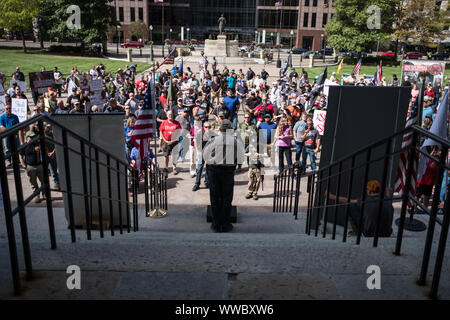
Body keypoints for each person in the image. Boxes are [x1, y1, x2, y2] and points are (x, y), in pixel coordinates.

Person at [203, 119, 245, 232]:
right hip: (228, 172)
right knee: (226, 198)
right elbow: (241, 157)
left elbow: (205, 155)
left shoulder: (213, 140)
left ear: (220, 129)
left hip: (214, 171)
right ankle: (225, 224)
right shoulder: (235, 141)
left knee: (215, 197)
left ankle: (216, 225)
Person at [327, 180, 394, 237]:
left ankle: (356, 232)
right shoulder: (387, 200)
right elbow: (387, 197)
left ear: (369, 191)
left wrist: (331, 196)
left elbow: (346, 200)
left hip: (369, 233)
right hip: (387, 233)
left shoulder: (365, 201)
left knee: (351, 206)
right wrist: (388, 192)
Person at [19, 130, 44, 203]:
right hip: (30, 167)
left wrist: (39, 149)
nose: (33, 138)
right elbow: (20, 157)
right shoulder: (24, 146)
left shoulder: (37, 143)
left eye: (34, 136)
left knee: (43, 181)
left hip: (39, 165)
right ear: (27, 137)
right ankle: (37, 196)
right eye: (32, 137)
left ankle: (45, 195)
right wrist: (24, 166)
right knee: (33, 183)